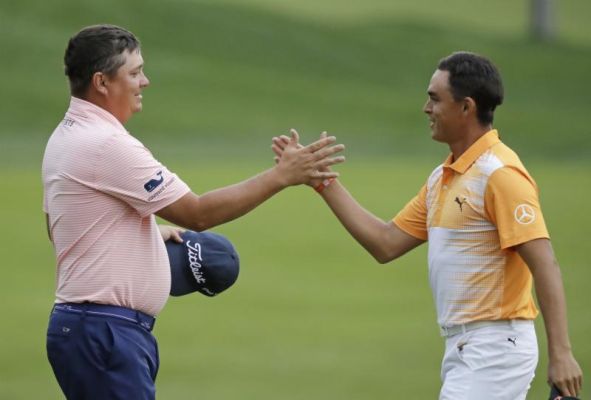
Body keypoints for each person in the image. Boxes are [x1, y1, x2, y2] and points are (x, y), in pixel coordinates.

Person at [42, 24, 344, 399]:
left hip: (95, 331)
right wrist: (283, 176)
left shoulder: (67, 135)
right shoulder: (106, 144)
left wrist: (147, 235)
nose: (145, 81)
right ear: (102, 82)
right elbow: (197, 213)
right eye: (134, 73)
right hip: (105, 333)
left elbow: (62, 226)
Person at [272, 51, 582, 399]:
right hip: (464, 347)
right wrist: (323, 182)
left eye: (435, 99)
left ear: (466, 107)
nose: (426, 108)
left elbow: (545, 264)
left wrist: (562, 354)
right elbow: (385, 242)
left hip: (495, 348)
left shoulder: (500, 174)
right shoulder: (443, 178)